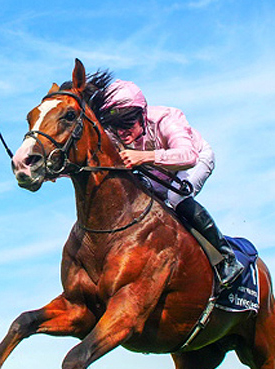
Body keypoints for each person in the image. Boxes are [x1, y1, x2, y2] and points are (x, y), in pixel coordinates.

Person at [102, 79, 243, 288]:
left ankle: (227, 257)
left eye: (127, 124)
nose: (122, 133)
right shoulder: (116, 132)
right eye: (116, 127)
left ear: (142, 114)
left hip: (192, 160)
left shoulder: (166, 119)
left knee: (176, 197)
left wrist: (144, 157)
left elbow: (188, 155)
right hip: (157, 169)